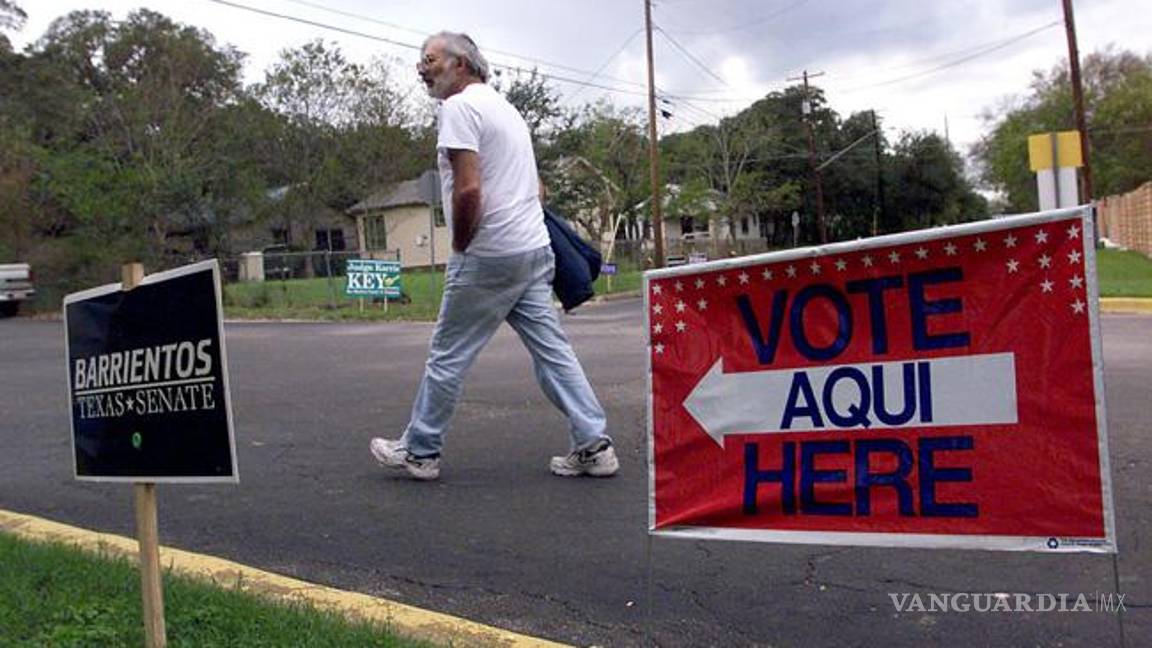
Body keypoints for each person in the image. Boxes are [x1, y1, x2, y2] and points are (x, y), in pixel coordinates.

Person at [370, 31, 617, 481]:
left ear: (461, 64)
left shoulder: (459, 108)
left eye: (430, 60)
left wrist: (463, 243)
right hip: (532, 250)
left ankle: (420, 451)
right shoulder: (507, 110)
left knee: (447, 356)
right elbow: (538, 189)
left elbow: (468, 189)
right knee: (554, 354)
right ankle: (594, 444)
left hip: (488, 253)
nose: (422, 69)